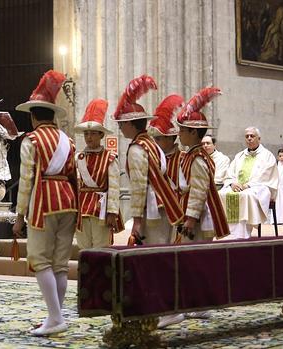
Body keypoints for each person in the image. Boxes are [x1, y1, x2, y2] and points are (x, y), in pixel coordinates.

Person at [159, 87, 230, 329]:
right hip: (190, 213)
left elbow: (198, 191)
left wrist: (189, 219)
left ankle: (195, 304)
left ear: (193, 132)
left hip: (198, 218)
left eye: (182, 131)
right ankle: (197, 303)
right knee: (193, 261)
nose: (179, 135)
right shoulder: (190, 154)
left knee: (192, 261)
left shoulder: (198, 158)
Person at [12, 70, 76, 336]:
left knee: (40, 261)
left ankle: (54, 317)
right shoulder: (69, 141)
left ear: (34, 116)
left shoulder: (32, 140)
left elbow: (26, 180)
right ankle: (55, 316)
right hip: (69, 203)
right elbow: (75, 175)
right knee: (60, 263)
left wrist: (19, 215)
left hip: (44, 203)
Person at [112, 75, 184, 245]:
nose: (120, 128)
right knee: (163, 251)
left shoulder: (137, 148)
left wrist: (136, 220)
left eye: (121, 124)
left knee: (154, 254)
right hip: (164, 203)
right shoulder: (150, 142)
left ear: (130, 124)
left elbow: (138, 187)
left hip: (153, 208)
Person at [73, 98, 123, 249]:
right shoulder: (78, 157)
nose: (89, 137)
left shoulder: (110, 158)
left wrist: (112, 212)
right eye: (86, 133)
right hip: (82, 208)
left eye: (93, 133)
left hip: (101, 209)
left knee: (101, 248)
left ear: (101, 135)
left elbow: (114, 187)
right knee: (84, 247)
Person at [219, 127, 278, 239]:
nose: (249, 138)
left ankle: (242, 233)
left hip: (259, 187)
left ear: (259, 138)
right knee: (221, 194)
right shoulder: (239, 156)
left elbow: (266, 175)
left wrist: (248, 185)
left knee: (246, 196)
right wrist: (232, 183)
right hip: (238, 186)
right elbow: (230, 173)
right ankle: (226, 232)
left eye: (252, 136)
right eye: (247, 136)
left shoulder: (267, 155)